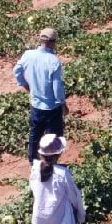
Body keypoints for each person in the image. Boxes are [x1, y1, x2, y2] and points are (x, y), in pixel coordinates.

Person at [30, 134, 86, 224]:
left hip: (45, 212)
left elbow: (35, 189)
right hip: (63, 213)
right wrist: (80, 213)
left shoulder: (35, 168)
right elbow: (73, 195)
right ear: (58, 154)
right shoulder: (62, 173)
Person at [14, 27, 67, 162]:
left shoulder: (28, 55)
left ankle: (33, 161)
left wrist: (26, 85)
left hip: (36, 105)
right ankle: (50, 165)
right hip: (51, 108)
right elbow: (57, 88)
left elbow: (17, 71)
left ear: (40, 40)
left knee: (35, 134)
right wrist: (63, 104)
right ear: (53, 42)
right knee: (53, 137)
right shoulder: (53, 61)